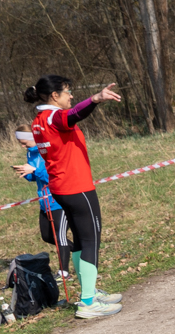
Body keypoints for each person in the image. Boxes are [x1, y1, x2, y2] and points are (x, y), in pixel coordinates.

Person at [24, 75, 123, 318]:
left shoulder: (38, 120)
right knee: (91, 242)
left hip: (60, 187)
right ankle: (88, 302)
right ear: (54, 95)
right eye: (68, 92)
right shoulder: (54, 117)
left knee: (80, 240)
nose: (71, 96)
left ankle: (89, 292)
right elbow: (73, 115)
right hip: (76, 187)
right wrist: (95, 99)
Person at [12, 128, 74, 278]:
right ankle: (80, 249)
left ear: (33, 138)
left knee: (60, 237)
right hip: (44, 201)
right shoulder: (30, 153)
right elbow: (37, 176)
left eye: (24, 143)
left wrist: (34, 170)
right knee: (47, 236)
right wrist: (26, 173)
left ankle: (64, 273)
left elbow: (54, 175)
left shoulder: (47, 151)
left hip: (58, 200)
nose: (22, 146)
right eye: (21, 143)